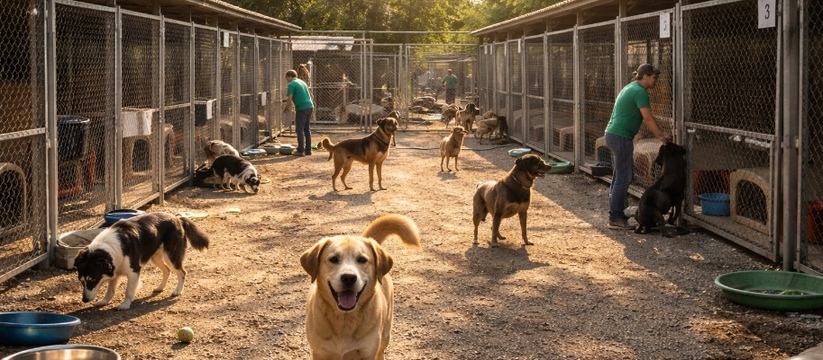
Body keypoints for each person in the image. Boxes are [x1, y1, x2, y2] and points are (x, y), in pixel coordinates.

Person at [605, 64, 670, 230]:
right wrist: (661, 136)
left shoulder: (631, 87)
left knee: (619, 176)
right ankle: (616, 217)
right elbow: (647, 118)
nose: (656, 81)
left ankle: (616, 212)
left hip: (614, 134)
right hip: (620, 137)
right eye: (654, 77)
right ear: (645, 76)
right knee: (624, 177)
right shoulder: (640, 92)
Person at [283, 69, 314, 156]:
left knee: (299, 129)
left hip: (302, 108)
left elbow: (290, 98)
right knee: (307, 129)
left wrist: (286, 108)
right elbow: (299, 95)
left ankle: (300, 150)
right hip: (310, 106)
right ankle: (308, 150)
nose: (286, 80)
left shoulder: (291, 84)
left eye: (286, 78)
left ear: (289, 76)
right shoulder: (301, 82)